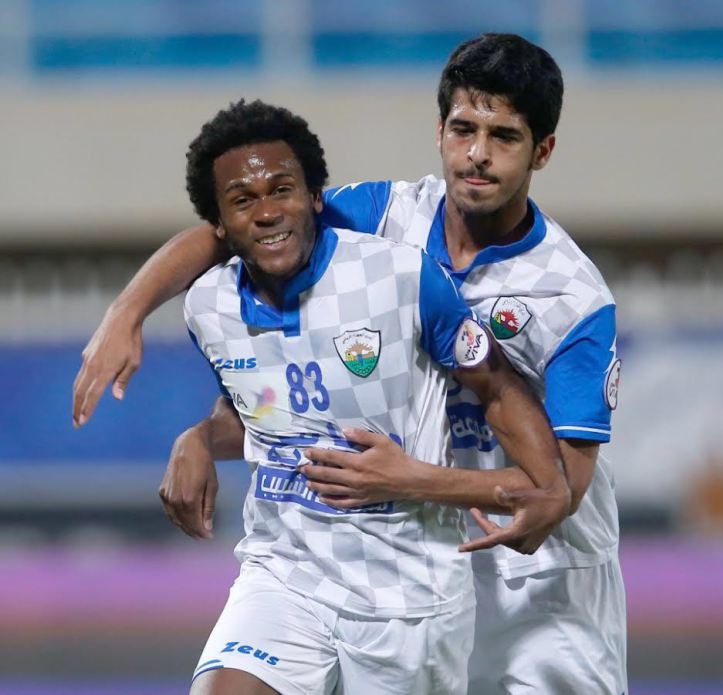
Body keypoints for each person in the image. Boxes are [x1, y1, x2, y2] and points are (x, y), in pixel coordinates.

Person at [74, 34, 626, 695]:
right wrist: (128, 314)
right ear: (440, 131)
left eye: (504, 136)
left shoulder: (572, 297)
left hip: (540, 580)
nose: (477, 154)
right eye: (463, 129)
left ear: (543, 150)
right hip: (415, 548)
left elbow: (561, 490)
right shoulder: (384, 216)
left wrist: (410, 479)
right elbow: (239, 224)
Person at [158, 97, 568, 695]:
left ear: (315, 197)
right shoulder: (207, 307)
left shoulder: (400, 276)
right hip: (285, 574)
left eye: (282, 190)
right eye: (243, 200)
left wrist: (543, 484)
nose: (267, 212)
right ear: (218, 224)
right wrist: (198, 438)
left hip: (411, 597)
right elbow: (264, 412)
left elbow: (498, 387)